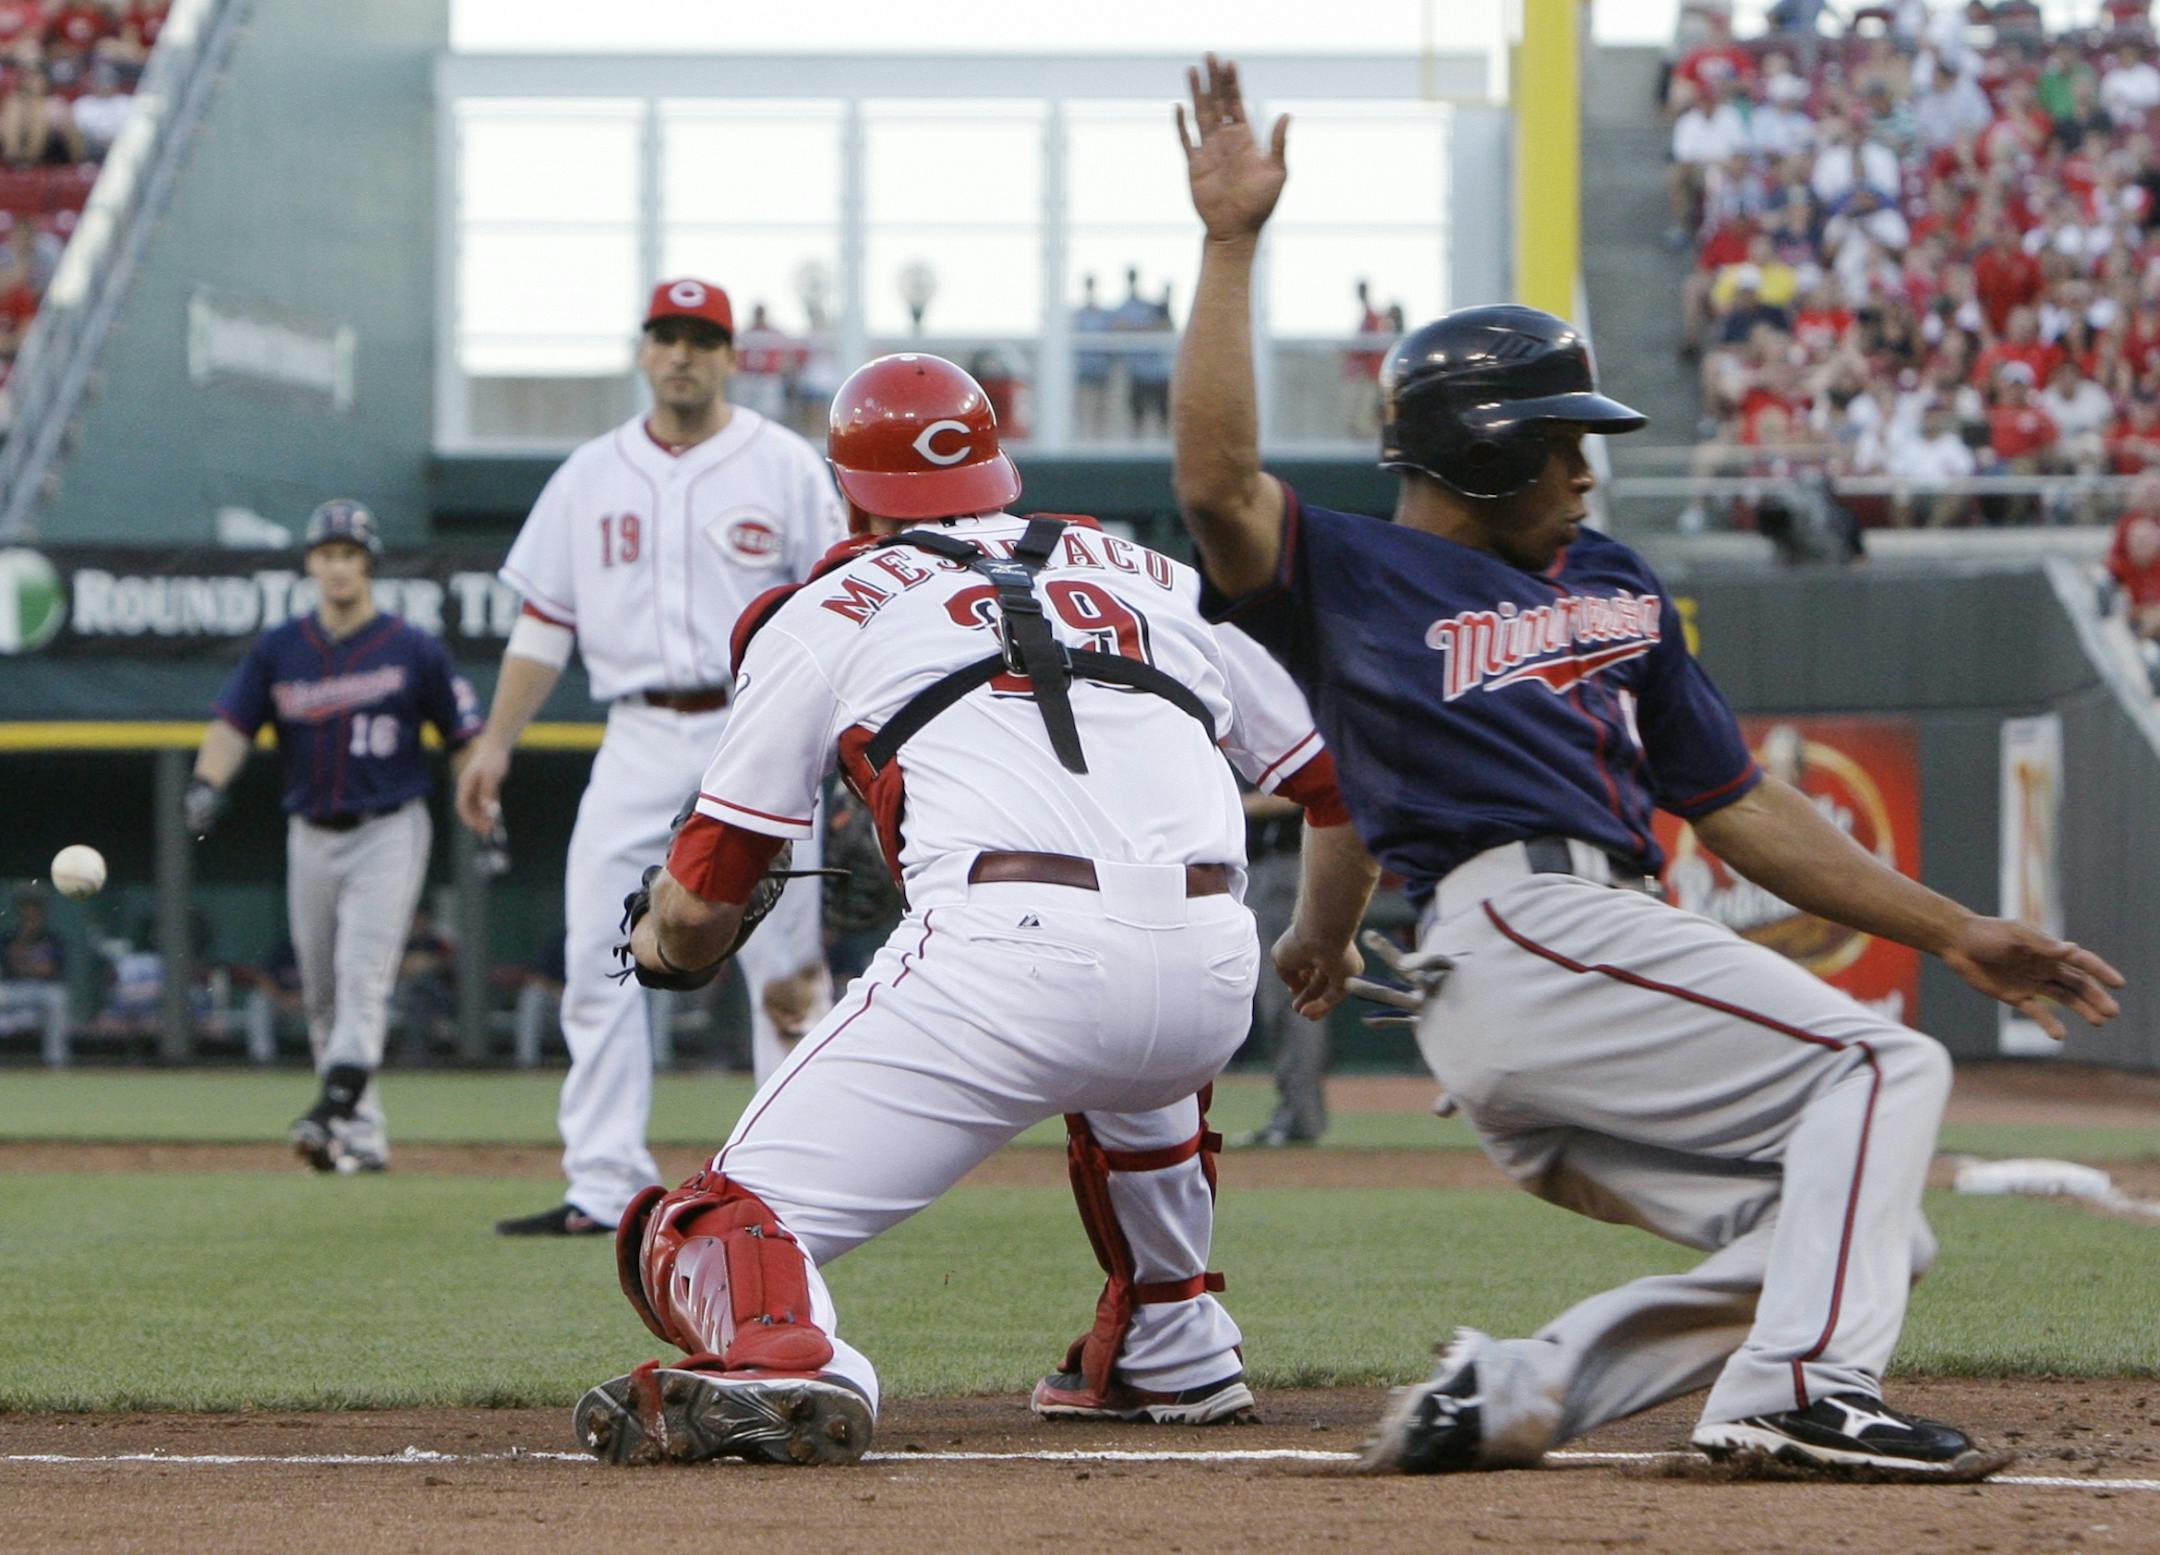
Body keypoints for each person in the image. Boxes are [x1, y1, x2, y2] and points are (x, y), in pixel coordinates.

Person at [1172, 54, 2124, 1482]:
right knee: (1883, 1061)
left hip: (1574, 956)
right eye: (1565, 441)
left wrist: (1954, 927)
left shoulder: (1609, 576)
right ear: (1487, 445)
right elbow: (1216, 485)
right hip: (1526, 939)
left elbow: (1737, 802)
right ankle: (1797, 1393)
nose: (1589, 471)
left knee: (1852, 1219)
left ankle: (1517, 1388)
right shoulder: (1353, 573)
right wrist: (1233, 243)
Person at [571, 351, 1361, 1467]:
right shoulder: (1158, 575)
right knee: (1135, 1062)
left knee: (707, 1224)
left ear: (849, 493)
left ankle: (790, 1359)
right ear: (997, 473)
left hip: (1008, 955)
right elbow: (1341, 790)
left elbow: (700, 908)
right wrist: (1319, 937)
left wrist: (658, 946)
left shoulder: (820, 609)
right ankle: (1174, 1338)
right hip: (1214, 965)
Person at [457, 276, 843, 1237]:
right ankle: (600, 1183)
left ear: (730, 354)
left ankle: (788, 1186)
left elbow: (842, 610)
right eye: (667, 336)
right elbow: (543, 626)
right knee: (599, 948)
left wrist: (845, 751)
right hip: (633, 726)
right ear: (643, 350)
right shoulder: (589, 473)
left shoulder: (787, 465)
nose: (683, 354)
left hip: (758, 721)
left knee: (787, 963)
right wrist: (494, 744)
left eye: (701, 338)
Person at [185, 501, 484, 1173]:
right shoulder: (281, 647)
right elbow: (233, 724)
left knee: (361, 976)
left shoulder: (412, 646)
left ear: (368, 564)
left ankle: (331, 1107)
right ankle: (361, 1135)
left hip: (388, 827)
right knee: (321, 990)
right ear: (312, 564)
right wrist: (207, 781)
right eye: (329, 553)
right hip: (311, 833)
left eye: (351, 553)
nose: (340, 565)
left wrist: (482, 805)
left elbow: (466, 739)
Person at [1, 885, 70, 1065]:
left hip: (42, 989)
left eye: (35, 908)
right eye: (27, 908)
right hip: (14, 988)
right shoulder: (10, 937)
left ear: (42, 912)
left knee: (58, 999)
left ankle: (56, 1062)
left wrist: (28, 967)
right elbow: (10, 967)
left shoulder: (52, 938)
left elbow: (51, 970)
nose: (31, 912)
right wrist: (24, 938)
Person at [1072, 272, 1115, 440]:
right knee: (1084, 408)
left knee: (1100, 409)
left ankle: (1099, 438)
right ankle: (1084, 439)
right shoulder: (1080, 315)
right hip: (1084, 371)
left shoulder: (1103, 315)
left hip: (1101, 370)